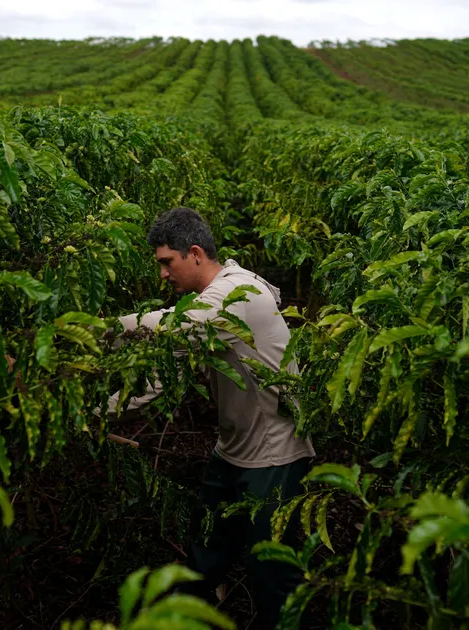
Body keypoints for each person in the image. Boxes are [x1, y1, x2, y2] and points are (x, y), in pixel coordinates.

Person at [107, 207, 315, 629]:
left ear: (196, 253)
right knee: (205, 552)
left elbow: (169, 328)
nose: (163, 274)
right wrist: (97, 414)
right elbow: (165, 375)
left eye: (167, 262)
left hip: (275, 458)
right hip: (233, 451)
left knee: (272, 573)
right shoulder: (206, 306)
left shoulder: (239, 295)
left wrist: (97, 330)